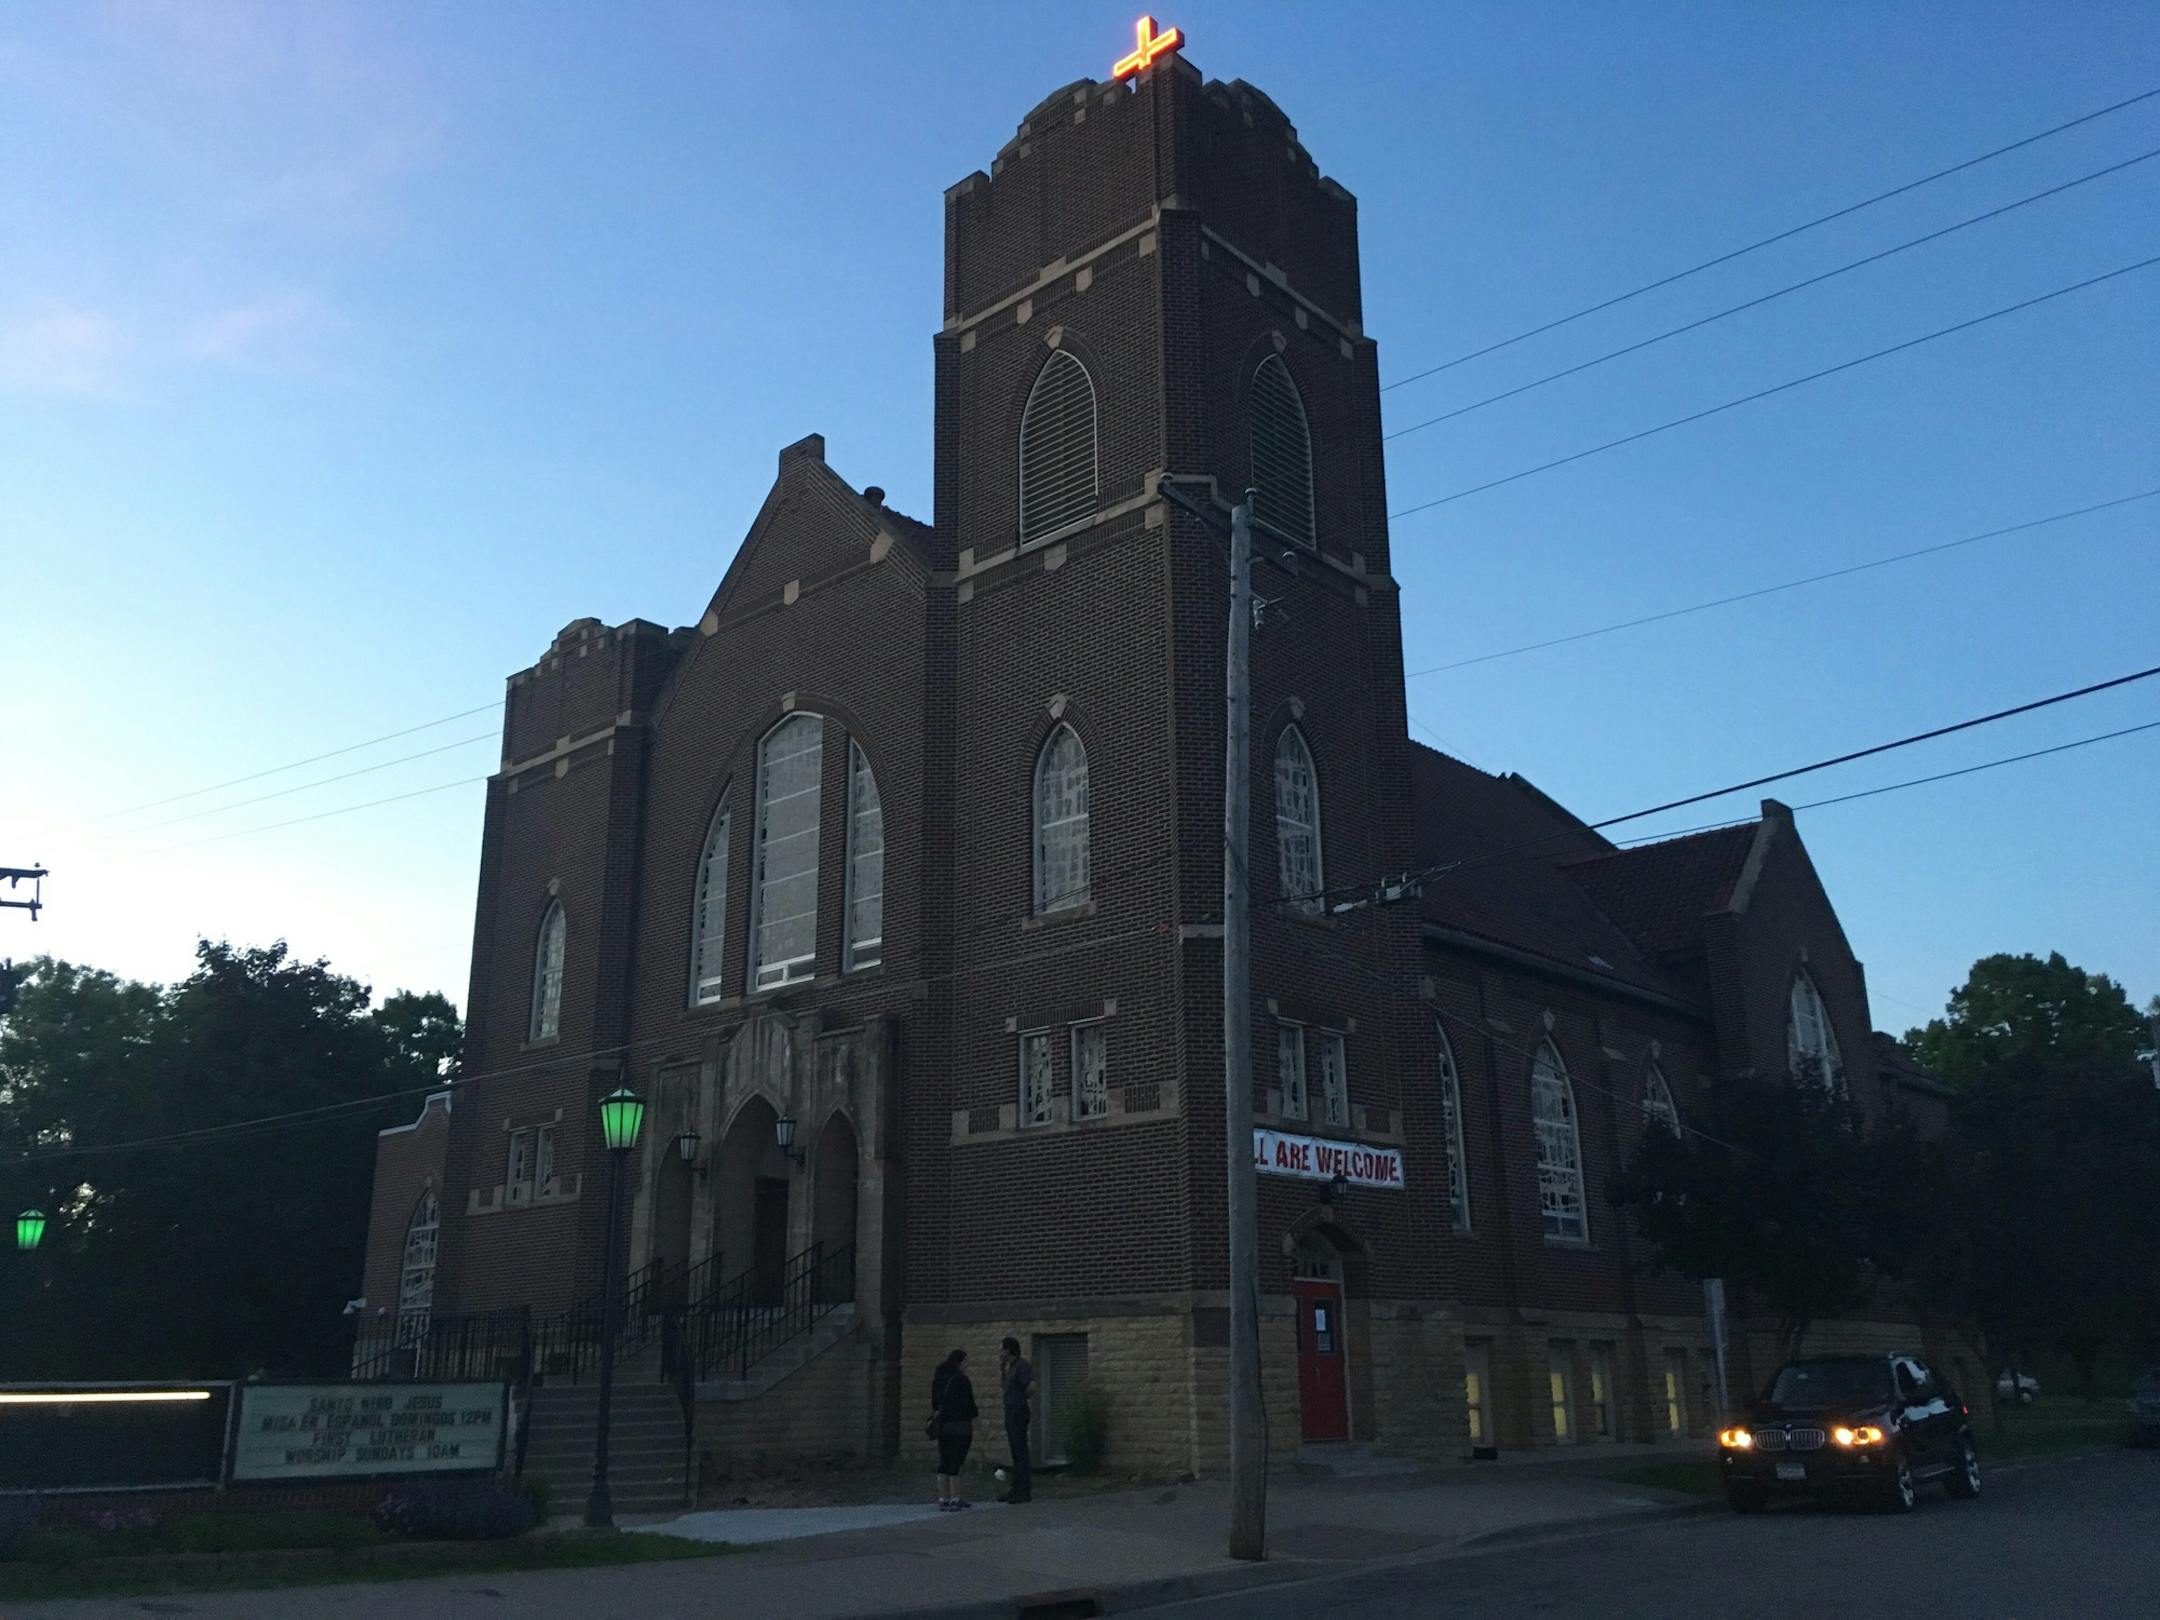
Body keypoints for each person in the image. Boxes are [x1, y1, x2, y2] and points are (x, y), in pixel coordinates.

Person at [930, 1347, 977, 1511]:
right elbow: (970, 1406)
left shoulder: (939, 1379)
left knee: (944, 1460)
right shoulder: (962, 1381)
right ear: (960, 1363)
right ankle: (956, 1497)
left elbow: (935, 1403)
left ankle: (944, 1497)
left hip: (943, 1425)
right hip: (961, 1425)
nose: (967, 1365)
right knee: (957, 1461)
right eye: (966, 1362)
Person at [998, 1335, 1035, 1504]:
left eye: (1002, 1349)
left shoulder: (1022, 1366)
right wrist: (1001, 1369)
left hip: (1018, 1411)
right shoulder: (1009, 1367)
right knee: (1015, 1451)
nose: (1000, 1352)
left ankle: (1024, 1490)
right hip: (1010, 1411)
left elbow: (1032, 1386)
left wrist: (1021, 1399)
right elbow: (1005, 1387)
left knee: (1020, 1451)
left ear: (1008, 1350)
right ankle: (1015, 1488)